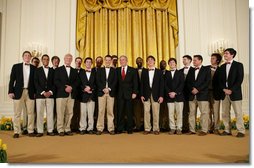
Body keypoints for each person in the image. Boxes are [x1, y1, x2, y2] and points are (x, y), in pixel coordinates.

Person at [8, 51, 36, 138]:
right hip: (18, 92)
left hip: (30, 92)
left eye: (28, 55)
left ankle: (30, 130)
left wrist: (35, 92)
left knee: (31, 112)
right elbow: (12, 79)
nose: (27, 57)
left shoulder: (34, 68)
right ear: (23, 57)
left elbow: (35, 82)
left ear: (30, 57)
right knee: (17, 113)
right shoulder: (16, 66)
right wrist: (10, 91)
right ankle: (16, 131)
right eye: (25, 55)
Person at [219, 48, 245, 138]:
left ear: (232, 54)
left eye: (226, 53)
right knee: (225, 113)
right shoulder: (222, 66)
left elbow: (239, 79)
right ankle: (227, 129)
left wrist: (231, 90)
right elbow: (220, 81)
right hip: (224, 93)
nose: (225, 55)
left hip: (235, 93)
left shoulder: (238, 65)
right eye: (224, 53)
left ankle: (241, 131)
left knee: (238, 113)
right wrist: (224, 89)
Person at [54, 54, 79, 136]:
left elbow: (77, 82)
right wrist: (64, 88)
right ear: (64, 59)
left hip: (71, 94)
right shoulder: (58, 69)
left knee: (70, 112)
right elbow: (56, 81)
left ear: (71, 60)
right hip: (61, 94)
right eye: (67, 58)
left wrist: (71, 87)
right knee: (60, 112)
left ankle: (67, 128)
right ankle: (60, 129)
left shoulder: (74, 70)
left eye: (70, 58)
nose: (68, 59)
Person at [186, 55, 210, 136]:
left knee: (204, 113)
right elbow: (187, 82)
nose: (193, 62)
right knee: (191, 113)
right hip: (192, 94)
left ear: (200, 61)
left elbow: (207, 82)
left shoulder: (206, 69)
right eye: (193, 60)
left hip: (202, 95)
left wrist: (198, 89)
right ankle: (192, 130)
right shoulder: (191, 70)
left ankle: (204, 130)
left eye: (195, 60)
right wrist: (192, 89)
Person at [140, 56, 164, 135]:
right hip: (146, 94)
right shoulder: (144, 71)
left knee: (156, 112)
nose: (150, 61)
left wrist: (161, 96)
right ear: (147, 62)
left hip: (156, 94)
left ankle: (156, 129)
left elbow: (161, 85)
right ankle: (147, 128)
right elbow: (142, 84)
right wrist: (142, 95)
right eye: (148, 60)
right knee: (146, 112)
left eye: (151, 60)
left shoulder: (159, 72)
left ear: (154, 61)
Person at [116, 55, 138, 134]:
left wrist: (135, 92)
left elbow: (136, 82)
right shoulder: (117, 70)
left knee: (129, 112)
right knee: (120, 112)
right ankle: (120, 128)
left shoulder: (132, 70)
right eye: (120, 60)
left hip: (129, 94)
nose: (122, 61)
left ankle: (130, 129)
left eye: (123, 60)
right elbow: (115, 83)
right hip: (120, 94)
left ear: (127, 60)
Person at [34, 54, 55, 137]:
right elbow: (36, 83)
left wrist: (50, 92)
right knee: (39, 113)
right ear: (42, 61)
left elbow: (55, 83)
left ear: (49, 61)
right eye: (44, 59)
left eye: (47, 59)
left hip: (50, 95)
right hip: (40, 95)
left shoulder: (53, 71)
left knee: (50, 113)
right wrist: (43, 92)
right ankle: (40, 131)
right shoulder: (37, 70)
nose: (46, 60)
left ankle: (50, 130)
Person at [96, 55, 117, 135]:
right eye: (106, 60)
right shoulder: (100, 70)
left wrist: (109, 89)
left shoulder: (114, 70)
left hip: (110, 93)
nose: (108, 61)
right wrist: (103, 89)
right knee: (101, 111)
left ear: (111, 61)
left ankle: (111, 128)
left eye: (109, 60)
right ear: (104, 61)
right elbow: (97, 81)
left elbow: (115, 81)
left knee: (110, 111)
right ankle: (100, 128)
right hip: (101, 93)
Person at [165, 58, 185, 135]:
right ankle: (172, 128)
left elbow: (182, 84)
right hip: (169, 96)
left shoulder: (180, 73)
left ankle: (179, 128)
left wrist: (175, 92)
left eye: (173, 62)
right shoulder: (166, 74)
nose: (171, 63)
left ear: (176, 64)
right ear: (168, 64)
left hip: (179, 96)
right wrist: (170, 92)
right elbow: (165, 85)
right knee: (170, 113)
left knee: (179, 113)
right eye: (170, 62)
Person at [79, 57, 96, 135]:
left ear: (92, 64)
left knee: (91, 113)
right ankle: (82, 128)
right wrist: (84, 89)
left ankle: (90, 128)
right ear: (84, 63)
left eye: (90, 62)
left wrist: (91, 88)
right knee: (83, 113)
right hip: (83, 95)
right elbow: (78, 83)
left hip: (92, 95)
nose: (88, 63)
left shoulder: (94, 72)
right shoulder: (81, 72)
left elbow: (97, 83)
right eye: (87, 62)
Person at [207, 53, 222, 134]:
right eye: (211, 58)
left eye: (213, 58)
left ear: (217, 60)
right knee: (208, 111)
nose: (211, 59)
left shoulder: (221, 69)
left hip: (216, 93)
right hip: (206, 93)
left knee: (216, 111)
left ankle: (216, 128)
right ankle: (209, 127)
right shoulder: (206, 68)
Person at [179, 55, 194, 133]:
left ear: (189, 60)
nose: (183, 61)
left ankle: (192, 128)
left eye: (185, 59)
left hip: (191, 93)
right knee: (184, 111)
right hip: (182, 94)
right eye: (183, 60)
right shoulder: (180, 71)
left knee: (191, 111)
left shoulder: (194, 70)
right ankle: (185, 127)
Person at [71, 57, 83, 132]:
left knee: (80, 111)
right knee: (73, 111)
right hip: (74, 93)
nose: (78, 63)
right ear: (75, 62)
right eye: (77, 61)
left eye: (79, 61)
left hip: (82, 93)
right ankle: (73, 126)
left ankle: (80, 126)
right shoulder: (72, 71)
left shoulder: (83, 71)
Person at [133, 57, 144, 131]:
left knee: (146, 110)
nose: (139, 62)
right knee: (137, 111)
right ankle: (138, 126)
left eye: (140, 61)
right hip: (136, 94)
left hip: (145, 93)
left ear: (143, 62)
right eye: (137, 61)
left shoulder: (147, 70)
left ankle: (146, 126)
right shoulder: (133, 70)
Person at [159, 60, 169, 131]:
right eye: (162, 64)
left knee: (167, 111)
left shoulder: (169, 72)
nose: (163, 65)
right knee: (160, 111)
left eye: (164, 64)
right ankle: (161, 125)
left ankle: (167, 126)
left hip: (168, 95)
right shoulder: (157, 72)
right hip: (159, 94)